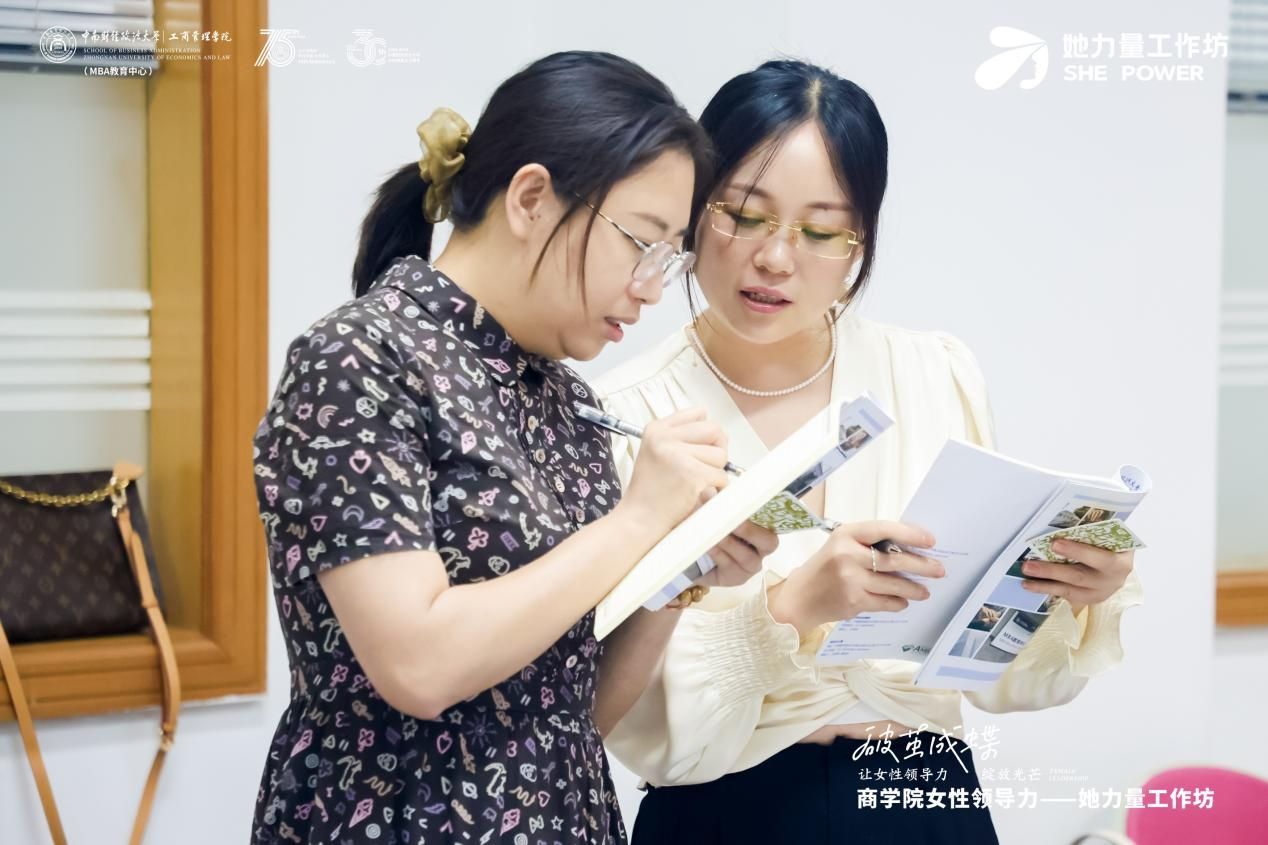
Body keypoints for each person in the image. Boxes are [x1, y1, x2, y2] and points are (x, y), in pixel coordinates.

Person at [594, 59, 1144, 844]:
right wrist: (792, 609)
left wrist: (1072, 590)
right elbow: (617, 710)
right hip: (726, 815)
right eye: (744, 215)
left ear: (860, 240)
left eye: (821, 230)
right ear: (692, 208)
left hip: (924, 798)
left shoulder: (933, 372)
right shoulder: (627, 415)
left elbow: (1000, 673)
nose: (776, 258)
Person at [249, 51, 778, 845]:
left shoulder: (567, 399)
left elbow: (571, 715)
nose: (650, 287)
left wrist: (677, 572)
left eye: (669, 260)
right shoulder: (359, 358)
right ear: (531, 198)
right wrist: (639, 520)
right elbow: (419, 666)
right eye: (641, 243)